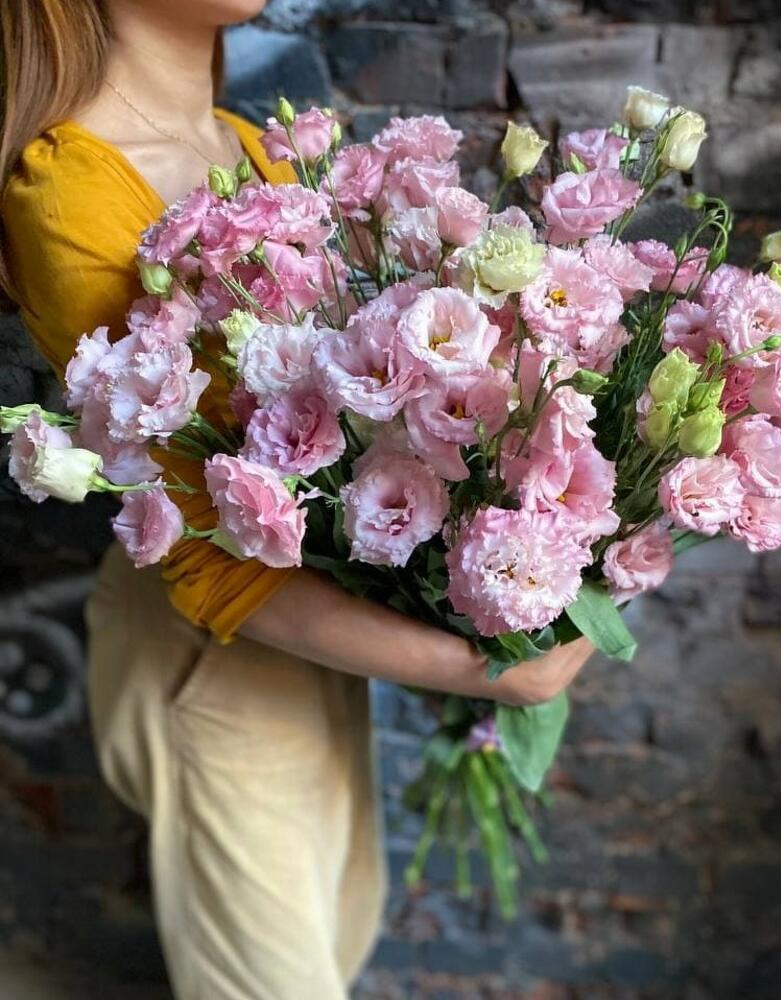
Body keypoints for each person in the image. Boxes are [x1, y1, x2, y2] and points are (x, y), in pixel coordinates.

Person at [0, 2, 593, 997]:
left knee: (337, 943)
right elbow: (199, 550)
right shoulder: (69, 184)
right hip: (211, 651)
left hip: (315, 636)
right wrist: (487, 672)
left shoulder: (249, 147)